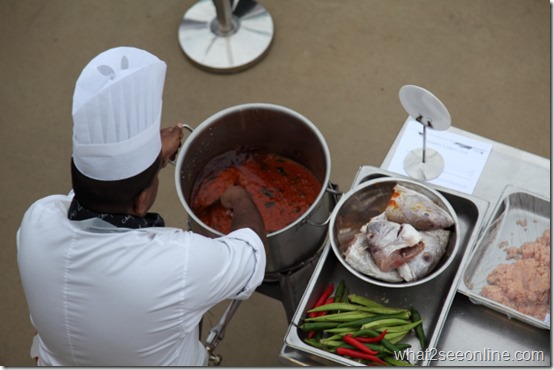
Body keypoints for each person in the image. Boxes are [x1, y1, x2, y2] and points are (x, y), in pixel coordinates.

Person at [16, 46, 268, 366]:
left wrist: (148, 155)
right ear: (141, 200)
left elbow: (94, 189)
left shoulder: (38, 218)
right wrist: (240, 198)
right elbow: (252, 255)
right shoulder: (177, 261)